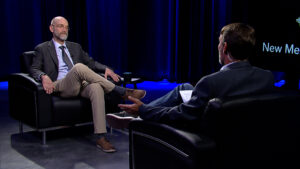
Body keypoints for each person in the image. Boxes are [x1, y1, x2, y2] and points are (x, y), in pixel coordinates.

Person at [107, 23, 275, 130]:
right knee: (184, 88)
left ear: (224, 48)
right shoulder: (267, 77)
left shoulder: (210, 83)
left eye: (219, 42)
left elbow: (180, 115)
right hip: (241, 131)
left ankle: (137, 114)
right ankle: (137, 112)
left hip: (204, 131)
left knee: (168, 108)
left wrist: (145, 111)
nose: (217, 46)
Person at [30, 16, 146, 153]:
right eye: (60, 26)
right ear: (51, 28)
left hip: (82, 84)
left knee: (96, 87)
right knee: (79, 67)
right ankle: (121, 91)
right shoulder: (42, 48)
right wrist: (43, 76)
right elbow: (34, 68)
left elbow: (91, 63)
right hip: (61, 85)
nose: (64, 30)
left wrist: (105, 68)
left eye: (66, 27)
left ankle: (101, 137)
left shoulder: (75, 47)